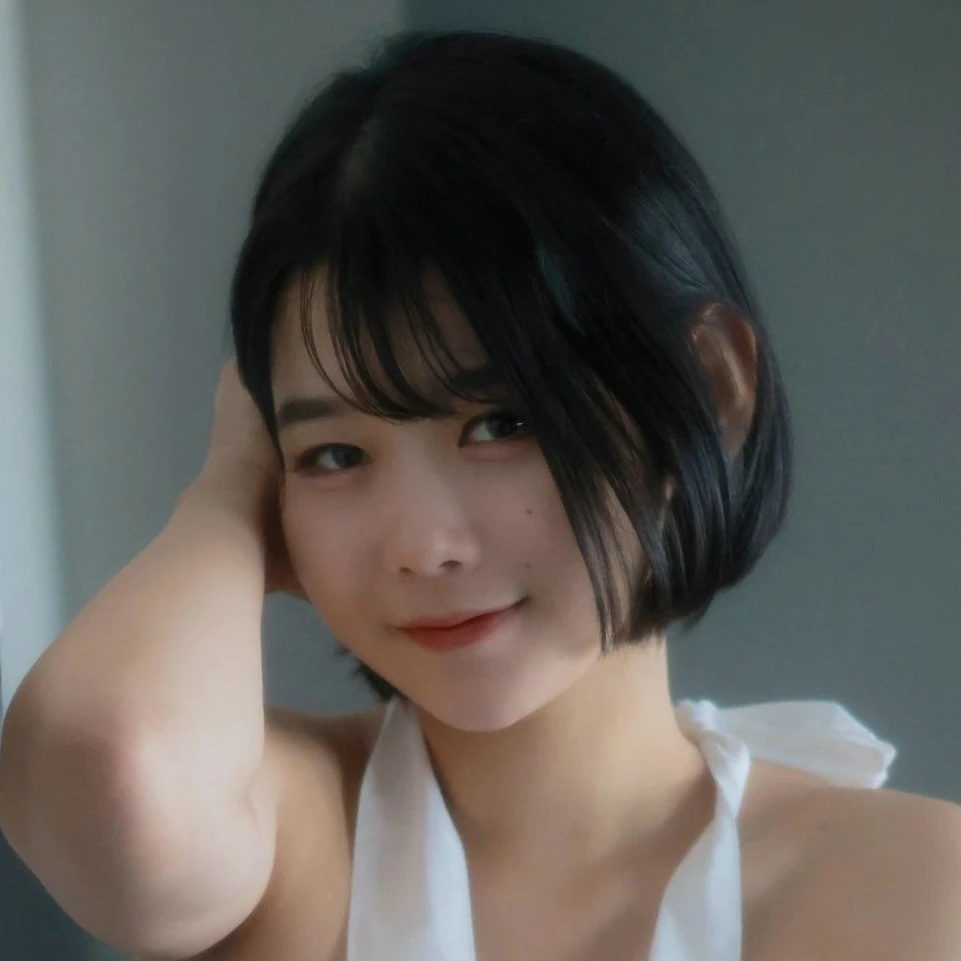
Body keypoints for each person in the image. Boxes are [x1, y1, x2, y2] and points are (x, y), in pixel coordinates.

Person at [1, 28, 959, 961]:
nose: (424, 545)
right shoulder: (287, 849)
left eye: (501, 423)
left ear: (707, 391)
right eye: (335, 453)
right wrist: (226, 489)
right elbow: (114, 764)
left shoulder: (909, 889)